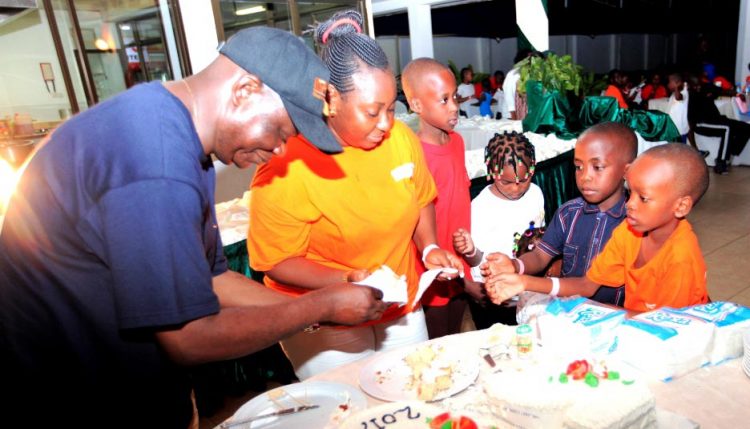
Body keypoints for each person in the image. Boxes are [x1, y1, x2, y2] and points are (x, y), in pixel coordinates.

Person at [0, 27, 388, 428]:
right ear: (246, 90)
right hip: (78, 396)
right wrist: (319, 305)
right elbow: (188, 337)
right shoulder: (157, 162)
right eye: (281, 131)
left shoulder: (174, 133)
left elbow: (213, 280)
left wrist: (318, 311)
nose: (279, 150)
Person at [247, 11, 463, 380]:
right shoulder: (286, 164)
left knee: (414, 386)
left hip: (399, 303)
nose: (385, 124)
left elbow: (422, 197)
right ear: (330, 99)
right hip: (324, 316)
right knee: (350, 408)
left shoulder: (400, 140)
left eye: (391, 109)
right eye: (371, 111)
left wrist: (428, 248)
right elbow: (276, 261)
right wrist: (346, 280)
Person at [485, 143, 709, 313]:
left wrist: (596, 314)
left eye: (644, 198)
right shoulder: (628, 232)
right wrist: (523, 282)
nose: (630, 204)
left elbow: (665, 326)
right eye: (630, 193)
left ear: (681, 206)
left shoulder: (680, 256)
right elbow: (586, 285)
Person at [479, 122, 637, 307]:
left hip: (616, 320)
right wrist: (515, 266)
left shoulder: (634, 223)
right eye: (579, 167)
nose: (585, 176)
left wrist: (525, 282)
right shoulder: (568, 214)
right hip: (566, 314)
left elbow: (587, 286)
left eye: (597, 167)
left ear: (627, 171)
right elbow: (540, 257)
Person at [401, 57, 475, 339]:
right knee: (436, 341)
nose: (455, 106)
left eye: (454, 97)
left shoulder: (457, 141)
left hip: (459, 258)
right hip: (432, 266)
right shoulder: (413, 153)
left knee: (457, 332)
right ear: (417, 105)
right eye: (443, 100)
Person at [452, 131, 545, 329]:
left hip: (528, 289)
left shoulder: (536, 193)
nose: (516, 188)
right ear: (491, 172)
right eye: (506, 182)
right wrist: (471, 251)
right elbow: (476, 261)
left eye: (525, 178)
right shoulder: (480, 208)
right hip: (495, 297)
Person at [687, 74, 750, 174]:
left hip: (716, 119)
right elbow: (690, 122)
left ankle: (731, 151)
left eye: (698, 85)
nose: (697, 87)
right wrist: (694, 146)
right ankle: (720, 163)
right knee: (727, 128)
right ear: (689, 86)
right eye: (694, 86)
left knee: (746, 127)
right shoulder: (690, 95)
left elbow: (722, 90)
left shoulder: (706, 87)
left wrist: (736, 94)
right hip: (701, 123)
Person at [503, 49, 532, 120]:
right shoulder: (513, 74)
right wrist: (514, 116)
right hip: (511, 115)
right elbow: (509, 95)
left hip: (522, 114)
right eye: (529, 58)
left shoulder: (529, 73)